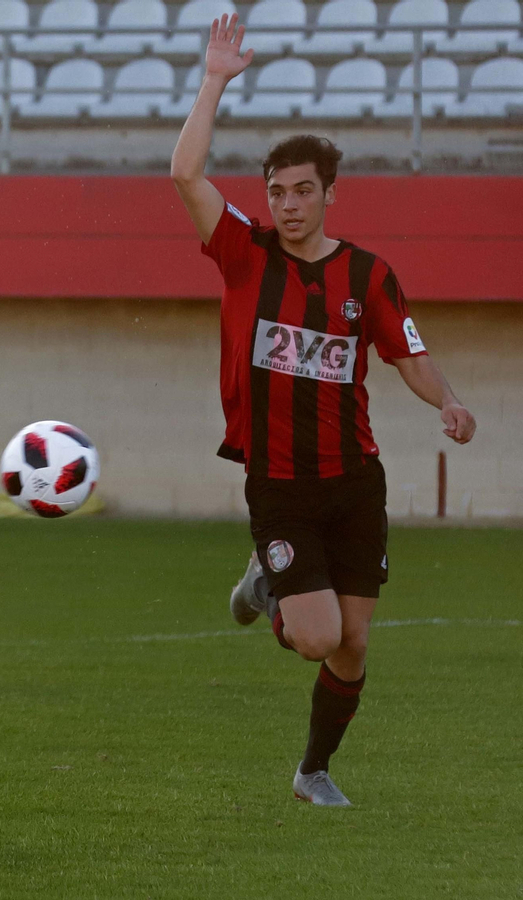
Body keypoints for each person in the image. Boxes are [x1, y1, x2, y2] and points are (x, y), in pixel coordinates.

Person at [171, 15, 477, 808]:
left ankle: (312, 772)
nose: (289, 203)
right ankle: (269, 587)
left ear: (329, 193)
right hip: (280, 485)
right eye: (277, 191)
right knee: (317, 636)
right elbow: (184, 173)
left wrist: (447, 401)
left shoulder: (370, 277)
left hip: (355, 483)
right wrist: (214, 80)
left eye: (303, 189)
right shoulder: (247, 254)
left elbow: (408, 353)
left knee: (354, 646)